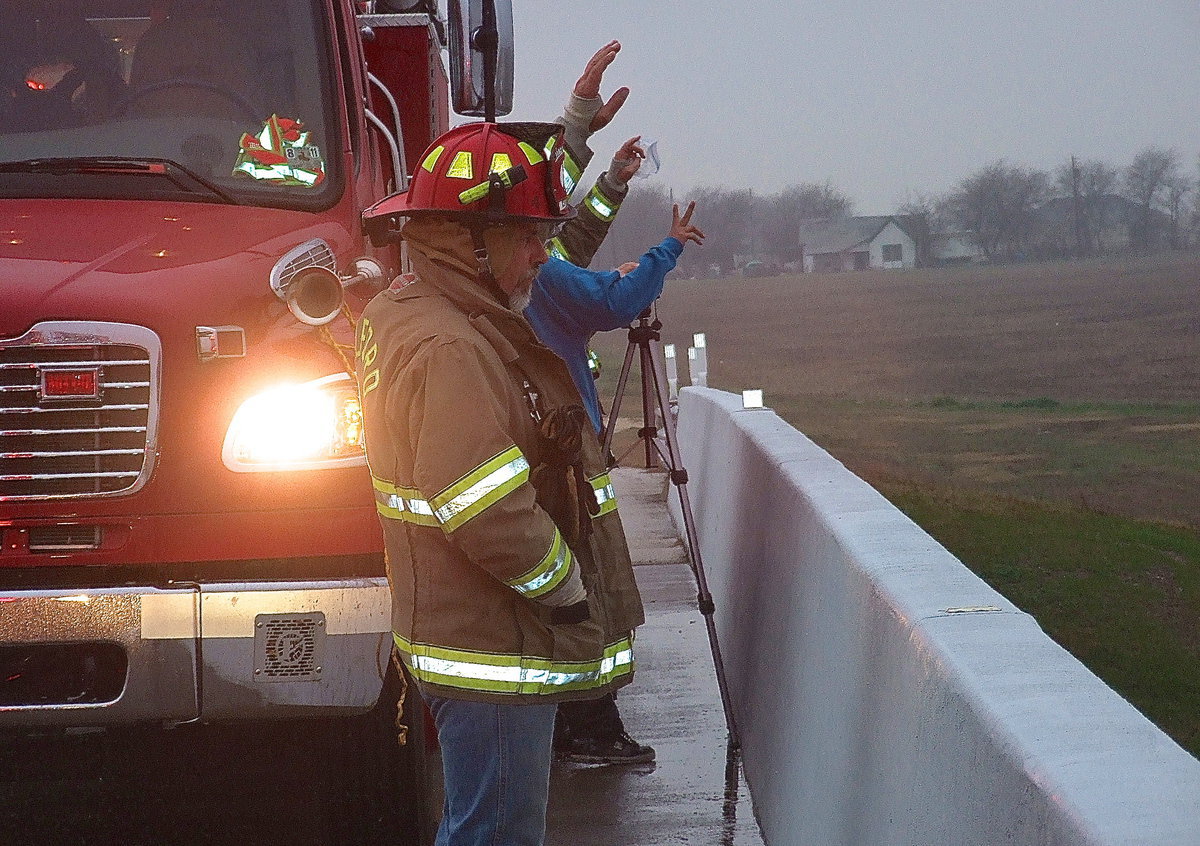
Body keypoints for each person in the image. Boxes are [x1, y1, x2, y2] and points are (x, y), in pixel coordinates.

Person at [356, 121, 645, 846]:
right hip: (495, 646)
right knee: (496, 834)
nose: (541, 257)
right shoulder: (453, 345)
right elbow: (484, 508)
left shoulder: (418, 309)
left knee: (480, 826)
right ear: (467, 240)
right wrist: (567, 588)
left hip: (468, 634)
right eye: (527, 239)